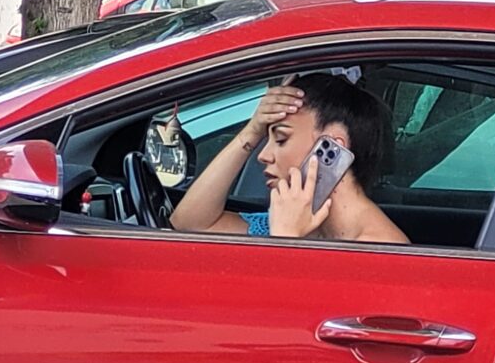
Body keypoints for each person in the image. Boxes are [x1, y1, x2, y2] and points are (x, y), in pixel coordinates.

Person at [171, 74, 409, 244]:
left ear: (332, 148)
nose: (263, 156)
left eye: (281, 139)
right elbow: (189, 225)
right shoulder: (290, 222)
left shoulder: (380, 249)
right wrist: (251, 132)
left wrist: (286, 240)